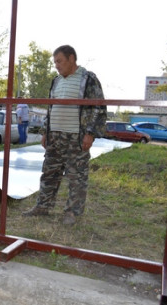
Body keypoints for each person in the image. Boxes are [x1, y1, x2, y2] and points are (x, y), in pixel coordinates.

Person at [22, 45, 107, 225]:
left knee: (77, 177)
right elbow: (51, 108)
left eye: (59, 61)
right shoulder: (57, 81)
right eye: (55, 62)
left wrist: (90, 133)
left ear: (71, 59)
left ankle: (72, 213)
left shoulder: (88, 79)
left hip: (76, 138)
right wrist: (45, 131)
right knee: (49, 173)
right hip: (55, 137)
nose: (57, 66)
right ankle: (43, 206)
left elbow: (99, 109)